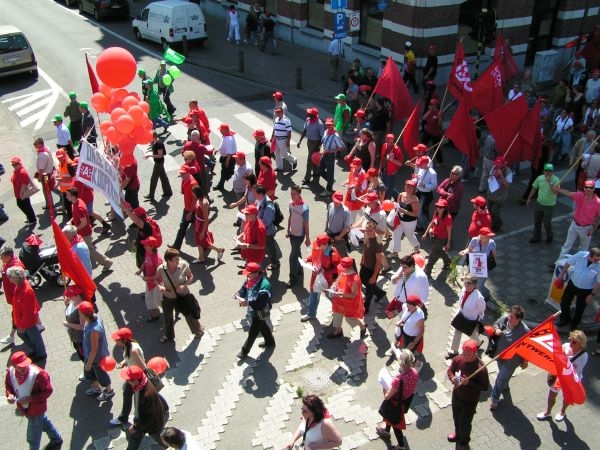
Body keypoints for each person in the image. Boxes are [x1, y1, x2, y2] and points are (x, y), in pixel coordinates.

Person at [5, 351, 63, 450]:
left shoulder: (39, 374)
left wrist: (31, 398)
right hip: (25, 409)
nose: (24, 368)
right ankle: (56, 439)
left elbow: (48, 391)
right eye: (20, 366)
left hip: (36, 410)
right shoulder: (10, 373)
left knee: (33, 438)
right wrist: (9, 395)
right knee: (43, 421)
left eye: (25, 365)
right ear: (14, 366)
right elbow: (9, 387)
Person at [447, 340, 490, 450]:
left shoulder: (481, 368)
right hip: (456, 396)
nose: (465, 356)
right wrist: (452, 378)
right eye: (464, 353)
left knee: (465, 423)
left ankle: (464, 443)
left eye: (468, 354)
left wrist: (469, 383)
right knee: (456, 418)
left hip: (469, 402)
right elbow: (450, 370)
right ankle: (457, 434)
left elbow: (485, 387)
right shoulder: (458, 359)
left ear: (475, 353)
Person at [537, 330, 588, 422]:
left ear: (581, 344)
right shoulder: (565, 346)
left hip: (571, 379)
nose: (571, 343)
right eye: (570, 339)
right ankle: (547, 412)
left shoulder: (583, 356)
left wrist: (567, 357)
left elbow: (572, 370)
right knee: (551, 395)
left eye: (574, 342)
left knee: (567, 396)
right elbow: (556, 359)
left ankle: (562, 411)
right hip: (559, 377)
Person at [155, 248, 204, 343]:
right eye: (176, 259)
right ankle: (168, 335)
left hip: (183, 295)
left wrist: (184, 285)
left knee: (188, 313)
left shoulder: (183, 265)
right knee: (168, 316)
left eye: (178, 258)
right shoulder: (161, 268)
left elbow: (191, 277)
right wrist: (159, 286)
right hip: (168, 296)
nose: (178, 261)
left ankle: (198, 330)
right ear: (168, 260)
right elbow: (156, 279)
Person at [375, 349, 419, 449]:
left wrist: (384, 387)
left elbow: (387, 397)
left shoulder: (398, 380)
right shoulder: (415, 372)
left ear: (401, 363)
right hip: (406, 401)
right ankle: (386, 431)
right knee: (390, 417)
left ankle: (401, 446)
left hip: (396, 404)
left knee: (396, 425)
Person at [489, 305, 530, 410]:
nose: (509, 318)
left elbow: (527, 348)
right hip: (499, 354)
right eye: (509, 315)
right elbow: (495, 323)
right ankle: (505, 386)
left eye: (512, 317)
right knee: (503, 376)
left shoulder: (524, 331)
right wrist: (496, 329)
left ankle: (494, 399)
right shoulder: (504, 319)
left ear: (518, 319)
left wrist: (525, 361)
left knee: (500, 378)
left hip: (512, 361)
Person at [120, 366, 169, 450]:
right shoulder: (143, 381)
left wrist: (135, 426)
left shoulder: (146, 396)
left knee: (161, 440)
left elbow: (147, 418)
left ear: (135, 381)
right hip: (142, 420)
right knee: (135, 437)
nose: (126, 381)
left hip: (153, 423)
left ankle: (172, 447)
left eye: (128, 379)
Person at [66, 187, 113, 272]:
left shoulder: (79, 207)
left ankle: (107, 262)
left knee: (91, 250)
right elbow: (75, 216)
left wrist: (74, 229)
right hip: (81, 232)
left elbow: (84, 223)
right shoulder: (75, 203)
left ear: (73, 196)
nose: (66, 197)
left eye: (68, 195)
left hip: (85, 233)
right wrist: (70, 221)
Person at [234, 262, 275, 358]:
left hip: (259, 311)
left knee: (253, 332)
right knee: (263, 326)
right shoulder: (250, 278)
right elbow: (244, 288)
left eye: (249, 274)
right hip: (253, 309)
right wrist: (239, 294)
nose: (247, 276)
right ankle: (270, 342)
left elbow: (260, 304)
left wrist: (247, 303)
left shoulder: (265, 286)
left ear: (256, 273)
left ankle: (244, 351)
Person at [110, 328, 148, 428]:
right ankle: (123, 417)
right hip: (131, 376)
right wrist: (124, 362)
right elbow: (130, 358)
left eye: (117, 339)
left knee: (137, 401)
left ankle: (135, 423)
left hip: (137, 379)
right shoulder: (128, 346)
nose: (115, 341)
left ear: (124, 339)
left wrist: (134, 382)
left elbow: (143, 367)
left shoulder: (133, 350)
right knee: (127, 394)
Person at [7, 266, 46, 364]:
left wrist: (23, 326)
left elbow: (27, 313)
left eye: (10, 277)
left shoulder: (26, 291)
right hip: (22, 321)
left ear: (16, 278)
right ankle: (37, 350)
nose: (8, 279)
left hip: (28, 322)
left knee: (34, 338)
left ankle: (41, 354)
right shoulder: (20, 286)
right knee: (25, 335)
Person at [552, 180, 600, 259]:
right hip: (574, 224)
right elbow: (568, 193)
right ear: (584, 188)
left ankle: (578, 264)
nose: (588, 189)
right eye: (586, 187)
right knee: (567, 246)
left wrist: (593, 229)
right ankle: (558, 263)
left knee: (583, 250)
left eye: (590, 187)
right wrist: (557, 189)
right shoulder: (580, 195)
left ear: (594, 189)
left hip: (587, 228)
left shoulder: (598, 202)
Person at [555, 247, 600, 331]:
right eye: (595, 259)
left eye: (598, 259)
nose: (597, 261)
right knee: (564, 302)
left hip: (586, 290)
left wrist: (592, 294)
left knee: (580, 309)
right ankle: (564, 319)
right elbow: (568, 262)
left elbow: (598, 282)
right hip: (573, 284)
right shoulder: (580, 255)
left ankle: (574, 325)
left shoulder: (599, 266)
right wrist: (562, 273)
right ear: (590, 256)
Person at [78, 301, 115, 401]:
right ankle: (96, 387)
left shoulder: (94, 330)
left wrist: (89, 363)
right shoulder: (94, 318)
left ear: (84, 314)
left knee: (101, 375)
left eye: (79, 312)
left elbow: (94, 349)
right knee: (90, 373)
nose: (78, 313)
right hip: (90, 356)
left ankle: (109, 391)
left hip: (96, 358)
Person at [301, 233, 340, 322]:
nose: (318, 247)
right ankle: (311, 314)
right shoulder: (319, 246)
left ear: (326, 244)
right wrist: (307, 259)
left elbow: (338, 267)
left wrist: (325, 272)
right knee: (313, 296)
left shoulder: (333, 253)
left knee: (331, 296)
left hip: (328, 280)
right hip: (315, 277)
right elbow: (315, 255)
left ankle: (337, 311)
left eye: (320, 246)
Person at [446, 274, 485, 360]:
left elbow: (482, 308)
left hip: (470, 319)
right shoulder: (464, 289)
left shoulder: (478, 297)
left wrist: (478, 318)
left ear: (474, 285)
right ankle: (454, 351)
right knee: (457, 332)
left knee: (471, 334)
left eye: (469, 283)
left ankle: (478, 342)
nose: (466, 285)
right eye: (465, 282)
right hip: (461, 316)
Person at [327, 256, 367, 339]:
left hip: (349, 303)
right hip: (339, 300)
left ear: (350, 267)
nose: (342, 270)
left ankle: (362, 325)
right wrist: (334, 285)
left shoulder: (355, 280)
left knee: (350, 318)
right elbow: (338, 278)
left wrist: (341, 294)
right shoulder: (344, 271)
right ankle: (338, 331)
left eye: (343, 268)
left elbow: (353, 295)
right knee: (337, 313)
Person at [458, 227, 497, 300]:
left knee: (479, 286)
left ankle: (477, 299)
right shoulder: (474, 240)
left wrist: (492, 264)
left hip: (484, 268)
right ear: (481, 236)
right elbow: (469, 249)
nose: (489, 238)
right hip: (473, 266)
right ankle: (471, 294)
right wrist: (464, 252)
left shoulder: (491, 243)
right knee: (471, 282)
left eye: (490, 236)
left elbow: (494, 254)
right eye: (487, 236)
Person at [527, 163, 559, 244]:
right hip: (539, 203)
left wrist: (550, 182)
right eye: (546, 171)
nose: (548, 173)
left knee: (546, 223)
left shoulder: (556, 180)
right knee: (537, 221)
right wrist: (529, 198)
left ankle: (549, 236)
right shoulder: (540, 178)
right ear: (543, 171)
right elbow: (534, 188)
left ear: (553, 172)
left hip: (549, 205)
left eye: (550, 171)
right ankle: (536, 237)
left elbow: (555, 192)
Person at [192, 186, 224, 264]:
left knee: (200, 241)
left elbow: (206, 219)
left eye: (193, 193)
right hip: (198, 222)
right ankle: (203, 256)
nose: (192, 194)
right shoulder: (200, 199)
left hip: (201, 224)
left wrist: (203, 232)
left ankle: (204, 256)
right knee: (200, 241)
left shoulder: (204, 203)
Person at [1, 247, 26, 345]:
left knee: (16, 315)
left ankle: (11, 336)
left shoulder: (16, 267)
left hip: (17, 297)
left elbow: (20, 284)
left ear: (8, 257)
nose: (1, 259)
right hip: (12, 296)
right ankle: (39, 325)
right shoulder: (7, 263)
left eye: (2, 257)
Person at [389, 179, 421, 258]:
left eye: (411, 188)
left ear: (414, 189)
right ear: (405, 187)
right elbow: (397, 204)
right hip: (399, 219)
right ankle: (395, 252)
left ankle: (416, 246)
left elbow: (416, 214)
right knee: (396, 235)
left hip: (409, 222)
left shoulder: (415, 200)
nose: (408, 189)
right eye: (407, 187)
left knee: (409, 235)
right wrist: (396, 208)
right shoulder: (401, 194)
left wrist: (404, 211)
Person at [286, 185, 310, 288]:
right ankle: (300, 270)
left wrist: (307, 239)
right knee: (297, 252)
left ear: (299, 194)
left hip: (299, 235)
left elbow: (306, 224)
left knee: (292, 257)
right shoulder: (291, 204)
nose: (292, 196)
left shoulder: (304, 208)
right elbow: (290, 217)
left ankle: (293, 279)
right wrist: (288, 229)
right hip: (292, 233)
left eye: (294, 194)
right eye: (291, 193)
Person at [360, 221, 386, 313]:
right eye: (367, 230)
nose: (368, 232)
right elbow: (364, 250)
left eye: (370, 230)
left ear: (375, 230)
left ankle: (366, 308)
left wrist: (374, 276)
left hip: (372, 269)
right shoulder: (366, 237)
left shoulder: (377, 243)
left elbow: (378, 261)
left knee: (369, 290)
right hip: (364, 266)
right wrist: (362, 261)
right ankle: (380, 293)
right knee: (364, 282)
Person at [171, 165, 198, 251]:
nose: (181, 175)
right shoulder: (185, 180)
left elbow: (194, 200)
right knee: (197, 227)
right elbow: (183, 191)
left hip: (191, 210)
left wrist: (190, 213)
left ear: (188, 173)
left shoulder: (193, 184)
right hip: (188, 208)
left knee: (183, 227)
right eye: (181, 173)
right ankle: (176, 246)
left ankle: (176, 246)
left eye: (183, 173)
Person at [62, 285, 87, 377]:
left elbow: (82, 326)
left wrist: (68, 324)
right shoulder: (73, 302)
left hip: (80, 339)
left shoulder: (81, 308)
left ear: (77, 296)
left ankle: (89, 373)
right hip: (74, 336)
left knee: (84, 357)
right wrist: (66, 304)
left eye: (70, 295)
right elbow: (69, 310)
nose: (68, 297)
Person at [423, 198, 452, 276]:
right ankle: (448, 262)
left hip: (441, 239)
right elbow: (432, 223)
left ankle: (427, 271)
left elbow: (449, 231)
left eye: (441, 207)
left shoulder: (448, 218)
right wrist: (426, 233)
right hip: (434, 236)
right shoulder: (436, 213)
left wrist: (448, 243)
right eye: (438, 206)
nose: (438, 209)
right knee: (440, 251)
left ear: (445, 208)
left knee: (433, 255)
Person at [136, 237, 162, 322]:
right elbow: (145, 261)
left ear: (152, 246)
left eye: (146, 245)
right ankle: (155, 315)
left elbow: (160, 275)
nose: (144, 246)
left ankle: (173, 308)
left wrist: (148, 278)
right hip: (149, 283)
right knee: (149, 299)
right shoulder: (147, 252)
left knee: (160, 300)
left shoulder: (157, 259)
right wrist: (140, 270)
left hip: (157, 284)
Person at [255, 185, 281, 270]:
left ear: (261, 194)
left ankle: (275, 262)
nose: (254, 195)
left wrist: (255, 219)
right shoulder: (259, 200)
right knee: (265, 246)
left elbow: (266, 222)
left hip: (268, 231)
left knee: (271, 247)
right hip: (263, 230)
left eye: (255, 194)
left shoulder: (268, 206)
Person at [318, 118, 345, 197]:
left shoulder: (335, 135)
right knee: (320, 170)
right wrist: (322, 149)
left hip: (330, 156)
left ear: (333, 125)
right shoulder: (325, 132)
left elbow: (342, 147)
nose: (328, 126)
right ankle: (330, 181)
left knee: (330, 173)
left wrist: (332, 150)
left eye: (329, 124)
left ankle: (329, 190)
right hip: (324, 154)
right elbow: (323, 142)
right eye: (327, 124)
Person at [298, 107, 325, 184]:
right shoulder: (308, 120)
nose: (307, 113)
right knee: (314, 159)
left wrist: (318, 146)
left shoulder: (319, 124)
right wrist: (300, 141)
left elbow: (321, 137)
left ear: (313, 115)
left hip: (315, 143)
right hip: (309, 141)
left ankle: (307, 178)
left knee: (309, 160)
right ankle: (316, 173)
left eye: (309, 113)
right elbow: (305, 130)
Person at [487, 156, 513, 232]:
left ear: (504, 164)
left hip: (500, 197)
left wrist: (501, 177)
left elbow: (507, 185)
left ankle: (497, 225)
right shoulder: (494, 167)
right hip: (491, 194)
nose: (497, 166)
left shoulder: (508, 172)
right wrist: (493, 175)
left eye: (499, 164)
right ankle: (491, 223)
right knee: (489, 210)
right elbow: (490, 177)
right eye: (496, 164)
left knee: (495, 212)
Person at [145, 131, 173, 201]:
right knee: (163, 177)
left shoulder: (159, 144)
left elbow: (160, 155)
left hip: (159, 163)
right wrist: (150, 152)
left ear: (154, 137)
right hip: (158, 162)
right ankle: (168, 192)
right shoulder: (154, 142)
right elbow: (155, 151)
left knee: (153, 179)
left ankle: (151, 195)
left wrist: (150, 156)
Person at [10, 156, 37, 226]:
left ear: (19, 164)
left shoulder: (22, 172)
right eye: (12, 164)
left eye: (15, 164)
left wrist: (21, 194)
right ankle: (30, 218)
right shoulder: (17, 171)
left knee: (24, 206)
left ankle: (32, 220)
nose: (13, 166)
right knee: (24, 206)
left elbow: (24, 184)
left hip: (22, 193)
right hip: (19, 192)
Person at [413, 156, 437, 230]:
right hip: (418, 192)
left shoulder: (432, 173)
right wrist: (415, 179)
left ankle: (427, 227)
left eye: (421, 164)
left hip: (426, 195)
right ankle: (419, 225)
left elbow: (434, 186)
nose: (419, 165)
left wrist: (424, 185)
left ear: (426, 164)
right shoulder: (421, 169)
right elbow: (418, 179)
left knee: (420, 211)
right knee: (417, 209)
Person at [325, 191, 351, 257]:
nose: (336, 203)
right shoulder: (330, 205)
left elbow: (347, 227)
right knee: (327, 253)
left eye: (338, 202)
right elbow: (328, 219)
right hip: (329, 234)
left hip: (339, 237)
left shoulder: (346, 211)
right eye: (335, 201)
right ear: (332, 198)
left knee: (342, 255)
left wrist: (339, 236)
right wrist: (325, 230)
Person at [272, 106, 297, 172]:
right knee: (277, 153)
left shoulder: (286, 120)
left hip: (283, 140)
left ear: (282, 112)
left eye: (279, 112)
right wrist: (272, 137)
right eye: (276, 112)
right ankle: (279, 167)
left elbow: (289, 132)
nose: (277, 113)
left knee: (284, 154)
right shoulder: (276, 119)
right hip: (277, 139)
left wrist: (288, 142)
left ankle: (294, 160)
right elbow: (274, 129)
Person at [343, 157, 368, 223]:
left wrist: (355, 187)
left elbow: (364, 188)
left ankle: (351, 225)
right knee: (356, 208)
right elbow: (351, 179)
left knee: (353, 210)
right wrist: (346, 182)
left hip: (357, 196)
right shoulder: (353, 169)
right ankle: (366, 219)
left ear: (360, 165)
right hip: (351, 193)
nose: (354, 167)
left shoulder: (364, 175)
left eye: (355, 166)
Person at [379, 133, 403, 198]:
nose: (389, 142)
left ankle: (389, 200)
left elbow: (400, 163)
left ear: (393, 140)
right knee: (384, 186)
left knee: (389, 189)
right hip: (383, 170)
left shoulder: (397, 149)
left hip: (391, 173)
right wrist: (380, 168)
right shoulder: (384, 145)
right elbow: (382, 158)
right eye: (387, 140)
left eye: (390, 141)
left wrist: (392, 160)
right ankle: (396, 196)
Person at [214, 123, 237, 191]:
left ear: (226, 130)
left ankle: (221, 185)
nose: (220, 131)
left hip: (228, 158)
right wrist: (218, 149)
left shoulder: (228, 139)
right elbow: (222, 144)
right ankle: (220, 185)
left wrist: (227, 162)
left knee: (226, 172)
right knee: (224, 172)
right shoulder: (226, 136)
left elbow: (229, 153)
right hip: (228, 157)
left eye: (221, 129)